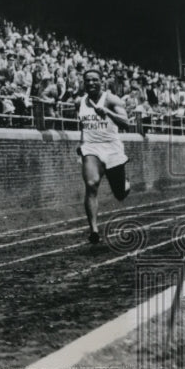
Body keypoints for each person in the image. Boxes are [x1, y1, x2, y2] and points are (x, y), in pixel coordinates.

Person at [78, 67, 132, 244]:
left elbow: (127, 123)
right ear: (84, 83)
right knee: (91, 184)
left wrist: (107, 112)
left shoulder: (110, 99)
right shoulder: (79, 101)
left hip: (112, 148)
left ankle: (125, 183)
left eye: (95, 80)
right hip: (91, 148)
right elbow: (82, 124)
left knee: (120, 194)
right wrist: (81, 142)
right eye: (88, 80)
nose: (91, 83)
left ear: (102, 82)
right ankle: (93, 229)